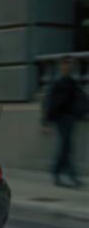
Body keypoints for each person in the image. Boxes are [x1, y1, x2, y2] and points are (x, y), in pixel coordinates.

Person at [43, 56, 87, 187]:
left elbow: (82, 99)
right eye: (65, 65)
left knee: (67, 146)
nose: (67, 67)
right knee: (66, 146)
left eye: (69, 65)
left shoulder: (72, 83)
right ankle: (67, 174)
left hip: (70, 118)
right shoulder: (57, 83)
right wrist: (46, 122)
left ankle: (60, 173)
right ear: (61, 67)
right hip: (60, 118)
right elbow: (49, 103)